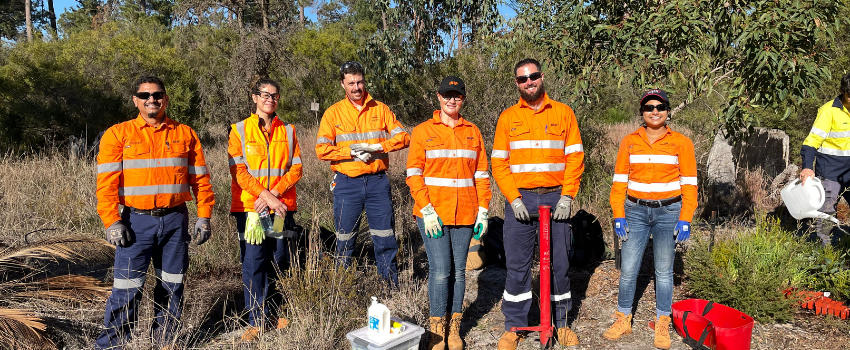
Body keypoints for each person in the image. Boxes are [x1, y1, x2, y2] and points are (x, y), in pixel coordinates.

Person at [95, 75, 215, 350]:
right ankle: (112, 345)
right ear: (135, 100)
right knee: (126, 290)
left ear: (166, 99)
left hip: (176, 220)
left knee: (172, 286)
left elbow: (201, 180)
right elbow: (106, 185)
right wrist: (112, 221)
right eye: (145, 95)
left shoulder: (185, 133)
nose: (152, 99)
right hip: (135, 223)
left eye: (157, 94)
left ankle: (166, 341)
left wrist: (204, 215)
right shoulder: (118, 134)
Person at [491, 58, 584, 349]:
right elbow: (499, 163)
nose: (528, 82)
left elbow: (575, 158)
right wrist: (513, 197)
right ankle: (515, 326)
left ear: (541, 77)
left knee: (558, 264)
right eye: (522, 79)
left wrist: (568, 195)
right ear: (516, 83)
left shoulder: (564, 113)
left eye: (532, 76)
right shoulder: (507, 118)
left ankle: (561, 324)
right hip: (521, 198)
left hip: (556, 197)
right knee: (517, 266)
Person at [604, 89, 698, 350]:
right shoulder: (629, 141)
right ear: (642, 112)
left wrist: (685, 218)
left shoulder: (681, 142)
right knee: (629, 270)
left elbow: (690, 185)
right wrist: (619, 214)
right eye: (649, 107)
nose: (654, 111)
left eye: (660, 106)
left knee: (664, 272)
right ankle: (623, 317)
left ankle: (662, 320)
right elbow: (619, 182)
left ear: (667, 111)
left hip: (669, 213)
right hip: (635, 211)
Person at [406, 76, 491, 350]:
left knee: (459, 272)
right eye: (447, 95)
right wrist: (427, 208)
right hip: (433, 214)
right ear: (438, 97)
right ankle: (437, 331)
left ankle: (454, 328)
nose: (451, 99)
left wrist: (484, 210)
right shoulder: (422, 131)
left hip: (465, 213)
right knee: (441, 271)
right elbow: (413, 174)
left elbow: (481, 175)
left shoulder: (473, 132)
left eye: (457, 95)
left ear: (463, 98)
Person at [315, 61, 410, 285]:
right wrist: (351, 153)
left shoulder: (380, 109)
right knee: (345, 238)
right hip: (347, 184)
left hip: (377, 182)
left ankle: (389, 285)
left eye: (359, 81)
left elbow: (403, 137)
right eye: (351, 83)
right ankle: (343, 287)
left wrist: (378, 147)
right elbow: (321, 150)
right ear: (342, 84)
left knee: (384, 236)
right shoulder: (333, 113)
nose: (356, 87)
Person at [227, 77, 302, 341]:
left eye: (275, 95)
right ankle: (256, 319)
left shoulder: (289, 130)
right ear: (254, 97)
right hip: (251, 209)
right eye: (265, 94)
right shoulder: (239, 130)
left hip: (280, 208)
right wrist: (264, 196)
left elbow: (297, 168)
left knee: (279, 259)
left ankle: (274, 311)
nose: (270, 99)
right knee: (254, 261)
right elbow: (239, 172)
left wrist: (274, 196)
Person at [799, 73, 850, 246]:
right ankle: (824, 251)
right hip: (830, 171)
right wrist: (807, 166)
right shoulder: (828, 111)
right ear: (843, 92)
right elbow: (811, 142)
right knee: (826, 212)